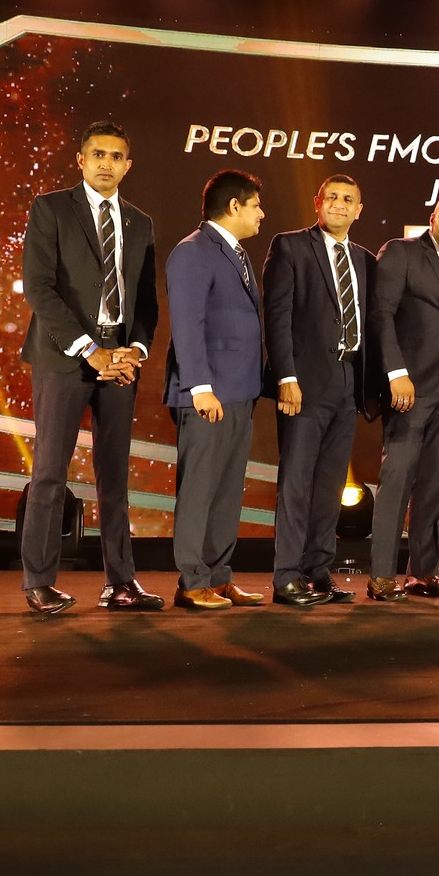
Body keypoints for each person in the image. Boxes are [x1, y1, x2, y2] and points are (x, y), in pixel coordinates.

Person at [18, 120, 159, 616]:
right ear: (80, 160)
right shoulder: (52, 208)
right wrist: (88, 348)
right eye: (98, 154)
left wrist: (134, 350)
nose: (106, 163)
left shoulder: (139, 222)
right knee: (49, 473)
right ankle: (40, 582)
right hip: (64, 357)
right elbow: (38, 287)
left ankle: (121, 583)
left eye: (116, 156)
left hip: (119, 359)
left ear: (127, 165)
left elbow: (146, 300)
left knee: (114, 476)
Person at [164, 170, 281, 609]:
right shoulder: (194, 251)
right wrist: (199, 386)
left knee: (227, 491)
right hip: (207, 393)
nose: (261, 214)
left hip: (239, 392)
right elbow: (187, 324)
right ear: (234, 206)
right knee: (200, 489)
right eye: (256, 205)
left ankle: (217, 577)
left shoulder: (237, 254)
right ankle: (192, 582)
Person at [367, 188, 439, 601]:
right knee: (397, 479)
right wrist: (395, 373)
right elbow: (380, 313)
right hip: (408, 386)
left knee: (435, 483)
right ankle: (382, 575)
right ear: (433, 218)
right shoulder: (400, 252)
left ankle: (422, 573)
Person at [262, 174, 374, 606]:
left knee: (330, 485)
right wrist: (286, 377)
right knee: (296, 482)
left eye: (348, 199)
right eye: (332, 197)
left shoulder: (365, 260)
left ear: (359, 210)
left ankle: (317, 571)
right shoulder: (290, 246)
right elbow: (277, 316)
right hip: (303, 384)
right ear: (317, 202)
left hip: (348, 383)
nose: (339, 204)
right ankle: (286, 577)